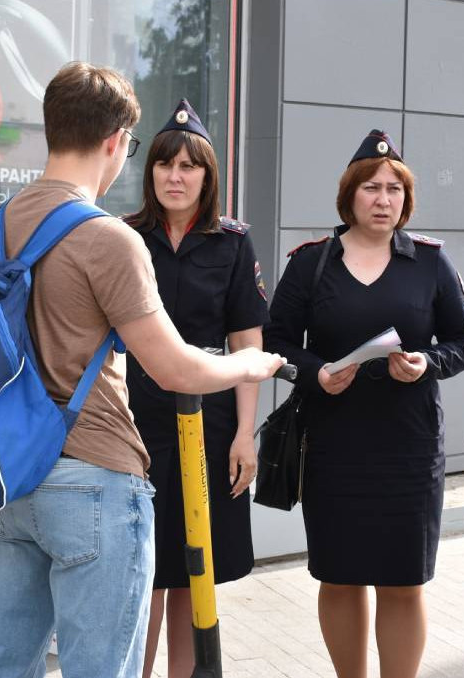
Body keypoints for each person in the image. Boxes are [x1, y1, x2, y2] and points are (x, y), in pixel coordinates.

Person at [0, 62, 286, 678]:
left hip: (19, 469)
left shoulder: (8, 217)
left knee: (10, 660)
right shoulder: (111, 237)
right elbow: (173, 368)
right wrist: (250, 363)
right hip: (93, 469)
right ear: (118, 143)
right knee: (103, 664)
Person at [264, 130, 464, 678]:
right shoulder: (312, 262)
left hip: (407, 449)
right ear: (350, 197)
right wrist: (316, 374)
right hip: (334, 445)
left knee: (403, 580)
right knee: (338, 575)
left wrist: (426, 364)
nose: (384, 200)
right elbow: (276, 341)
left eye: (394, 190)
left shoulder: (430, 262)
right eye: (371, 189)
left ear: (406, 200)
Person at [123, 99, 270, 678]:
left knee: (194, 567)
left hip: (207, 428)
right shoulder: (125, 236)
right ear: (150, 171)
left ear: (208, 176)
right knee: (143, 572)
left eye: (188, 166)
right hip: (136, 426)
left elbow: (247, 340)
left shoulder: (232, 243)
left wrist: (245, 434)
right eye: (164, 165)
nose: (174, 176)